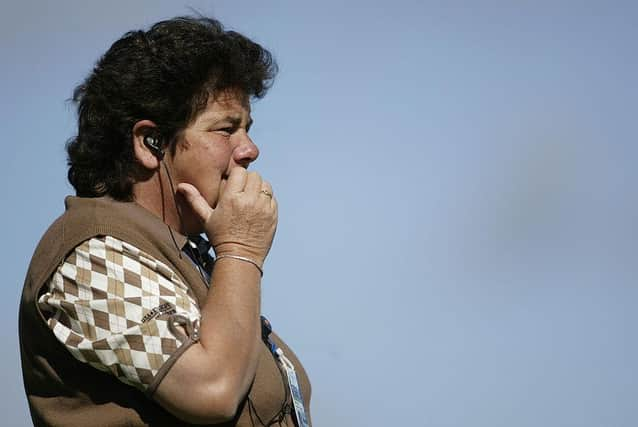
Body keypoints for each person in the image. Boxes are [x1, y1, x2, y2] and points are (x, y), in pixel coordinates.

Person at [19, 16, 311, 427]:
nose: (249, 150)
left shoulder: (185, 258)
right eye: (226, 129)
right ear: (149, 143)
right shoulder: (90, 254)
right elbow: (213, 390)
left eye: (247, 128)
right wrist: (241, 251)